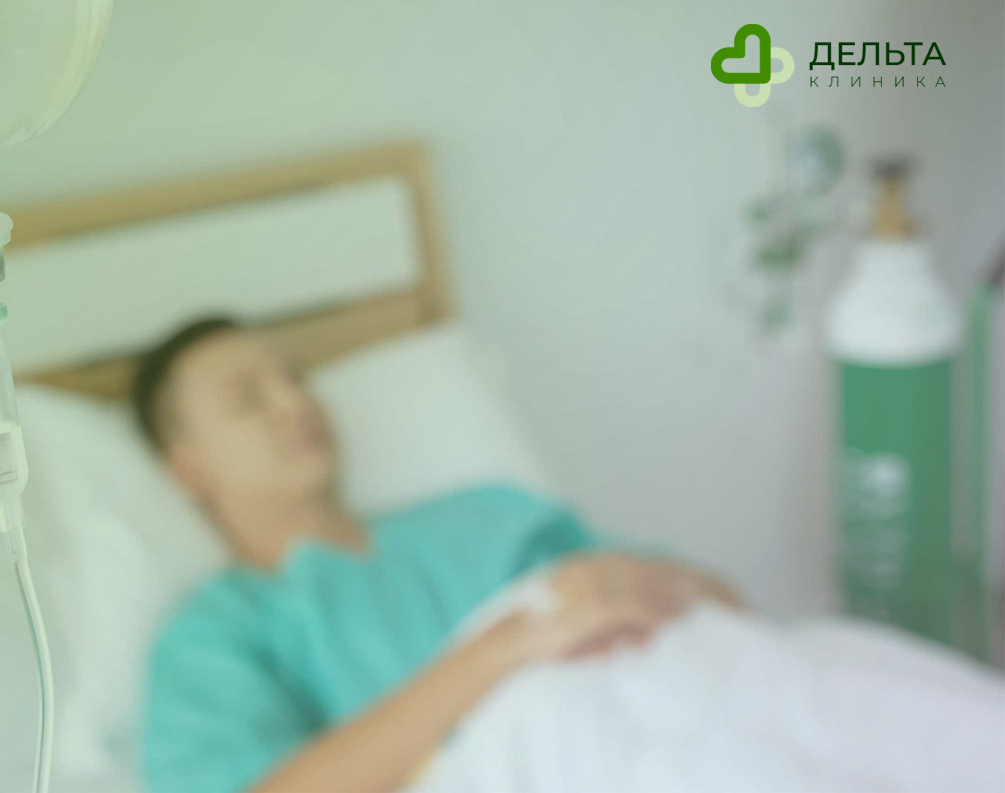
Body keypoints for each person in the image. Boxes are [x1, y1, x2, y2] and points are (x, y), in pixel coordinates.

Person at [134, 317, 739, 793]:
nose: (295, 403)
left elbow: (721, 605)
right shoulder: (215, 634)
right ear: (188, 469)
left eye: (297, 379)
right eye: (249, 398)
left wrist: (681, 594)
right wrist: (502, 650)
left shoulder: (487, 513)